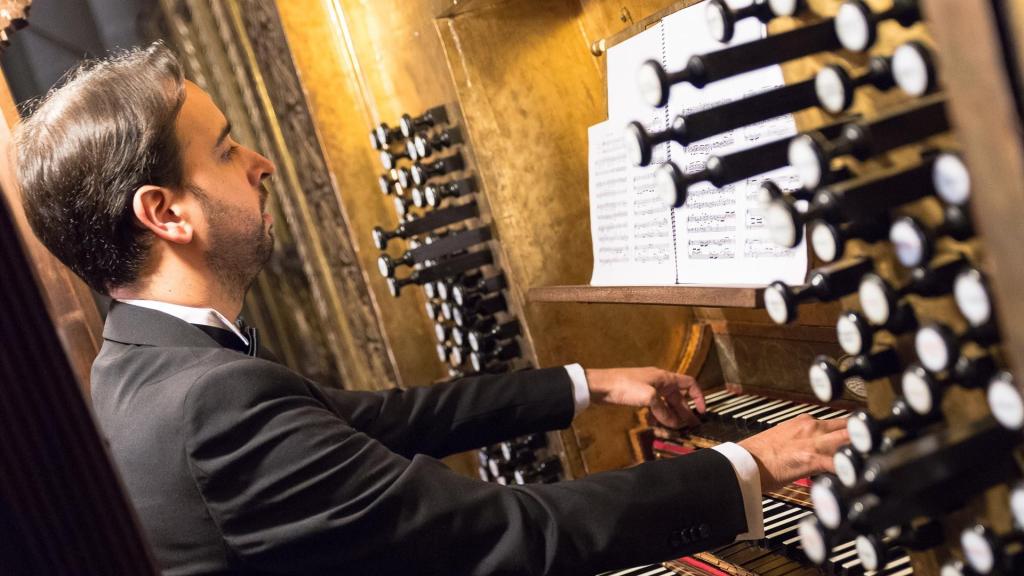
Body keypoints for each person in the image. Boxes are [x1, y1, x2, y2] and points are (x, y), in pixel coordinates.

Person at [15, 43, 848, 576]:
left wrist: (587, 383)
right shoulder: (208, 403)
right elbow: (516, 534)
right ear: (167, 214)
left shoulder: (142, 369)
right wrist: (754, 465)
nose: (263, 164)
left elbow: (385, 420)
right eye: (229, 149)